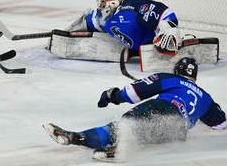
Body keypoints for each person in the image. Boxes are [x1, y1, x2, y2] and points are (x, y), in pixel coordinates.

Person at [43, 57, 227, 160]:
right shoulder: (206, 98)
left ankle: (76, 137)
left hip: (164, 108)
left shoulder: (172, 79)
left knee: (123, 125)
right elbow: (220, 123)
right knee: (140, 131)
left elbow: (134, 92)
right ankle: (114, 149)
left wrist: (112, 96)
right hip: (176, 131)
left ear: (176, 70)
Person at [65, 0, 182, 56]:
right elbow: (86, 22)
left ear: (113, 1)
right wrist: (65, 34)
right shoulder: (102, 18)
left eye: (102, 3)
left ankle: (170, 41)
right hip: (136, 50)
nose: (100, 7)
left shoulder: (132, 7)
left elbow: (164, 12)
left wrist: (169, 29)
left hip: (155, 44)